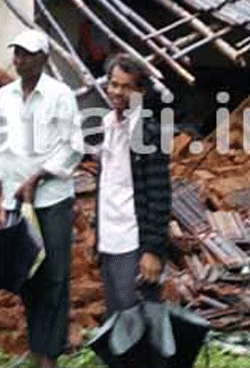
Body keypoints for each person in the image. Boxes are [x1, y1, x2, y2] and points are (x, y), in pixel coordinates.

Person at [0, 29, 83, 368]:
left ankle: (50, 355)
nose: (19, 59)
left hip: (52, 202)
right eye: (16, 53)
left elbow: (73, 146)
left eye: (27, 54)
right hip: (16, 202)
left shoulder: (60, 96)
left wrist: (38, 176)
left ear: (44, 58)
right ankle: (36, 345)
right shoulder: (5, 96)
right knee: (27, 276)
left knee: (54, 278)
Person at [95, 53, 171, 315]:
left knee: (140, 323)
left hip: (133, 242)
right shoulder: (108, 125)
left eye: (126, 87)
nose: (118, 92)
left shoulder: (149, 133)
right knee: (118, 322)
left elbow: (160, 196)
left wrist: (152, 250)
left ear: (140, 91)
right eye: (114, 84)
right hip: (109, 240)